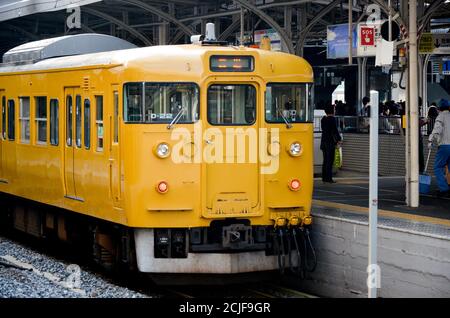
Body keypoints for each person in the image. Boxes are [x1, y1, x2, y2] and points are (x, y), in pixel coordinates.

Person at [428, 99, 450, 197]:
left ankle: (444, 189)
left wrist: (430, 139)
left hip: (445, 145)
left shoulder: (441, 116)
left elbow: (437, 129)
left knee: (438, 167)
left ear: (439, 108)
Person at [321, 105, 342, 183]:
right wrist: (339, 139)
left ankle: (324, 177)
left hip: (323, 142)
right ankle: (329, 178)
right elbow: (335, 130)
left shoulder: (323, 119)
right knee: (330, 161)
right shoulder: (332, 119)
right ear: (332, 110)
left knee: (325, 160)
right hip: (330, 142)